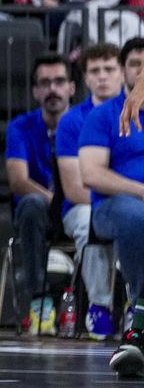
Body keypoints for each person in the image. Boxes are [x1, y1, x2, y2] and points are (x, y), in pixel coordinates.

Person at [78, 57, 144, 377]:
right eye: (135, 64)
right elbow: (90, 174)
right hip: (111, 209)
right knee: (136, 214)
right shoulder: (104, 115)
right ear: (125, 71)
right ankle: (138, 320)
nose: (140, 71)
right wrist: (142, 190)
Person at [54, 44, 125, 338]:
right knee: (87, 221)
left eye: (109, 69)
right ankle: (100, 306)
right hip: (81, 206)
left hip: (128, 202)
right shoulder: (71, 121)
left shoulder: (134, 113)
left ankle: (136, 306)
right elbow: (73, 189)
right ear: (85, 79)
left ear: (122, 73)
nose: (103, 77)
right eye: (95, 71)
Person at [5, 54, 76, 333]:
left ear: (71, 87)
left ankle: (102, 309)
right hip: (40, 215)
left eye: (59, 81)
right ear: (35, 90)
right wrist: (58, 201)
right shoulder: (20, 127)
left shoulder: (85, 121)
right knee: (32, 203)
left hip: (79, 208)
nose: (52, 89)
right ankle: (40, 304)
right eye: (44, 83)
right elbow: (18, 181)